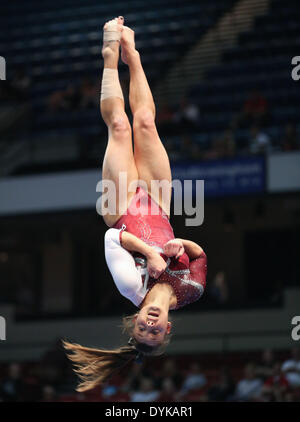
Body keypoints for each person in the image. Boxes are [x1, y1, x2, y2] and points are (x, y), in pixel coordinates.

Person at [63, 16, 207, 393]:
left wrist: (149, 253)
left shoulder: (132, 285)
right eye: (155, 332)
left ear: (136, 318)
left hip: (122, 206)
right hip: (159, 205)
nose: (150, 325)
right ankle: (133, 54)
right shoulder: (191, 291)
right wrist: (180, 246)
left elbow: (113, 238)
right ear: (166, 329)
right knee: (145, 121)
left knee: (120, 128)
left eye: (142, 328)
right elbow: (200, 255)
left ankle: (109, 54)